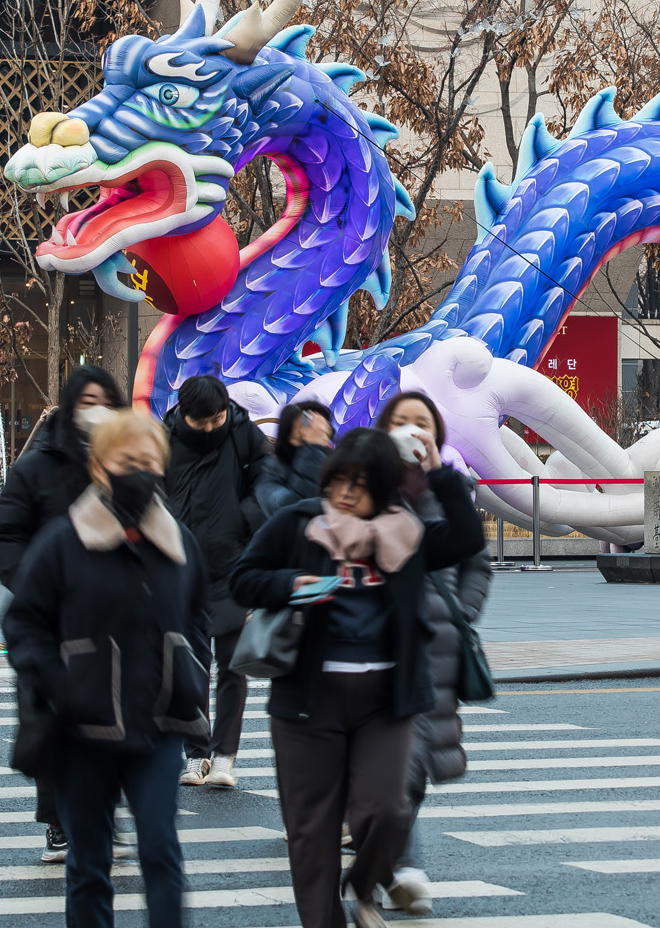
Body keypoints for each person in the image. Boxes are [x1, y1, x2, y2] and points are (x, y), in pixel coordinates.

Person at [230, 426, 486, 928]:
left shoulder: (405, 533)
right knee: (312, 835)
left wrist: (436, 469)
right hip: (308, 702)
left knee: (388, 810)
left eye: (361, 483)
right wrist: (290, 583)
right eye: (339, 480)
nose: (346, 492)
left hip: (385, 700)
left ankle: (363, 882)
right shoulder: (299, 523)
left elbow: (466, 537)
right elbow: (243, 579)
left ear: (385, 488)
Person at [4, 409, 207, 928]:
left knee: (161, 851)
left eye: (149, 460)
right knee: (90, 863)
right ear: (99, 467)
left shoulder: (179, 542)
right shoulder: (63, 542)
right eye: (126, 460)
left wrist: (192, 675)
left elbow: (199, 617)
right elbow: (25, 622)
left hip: (161, 722)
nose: (139, 470)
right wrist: (58, 684)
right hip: (83, 726)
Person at [0, 364, 125, 862]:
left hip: (113, 620)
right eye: (85, 402)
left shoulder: (127, 464)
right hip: (49, 620)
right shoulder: (37, 466)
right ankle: (57, 821)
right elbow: (6, 534)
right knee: (51, 716)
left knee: (111, 718)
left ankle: (102, 812)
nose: (95, 412)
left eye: (104, 401)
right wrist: (31, 586)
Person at [372, 390, 495, 915]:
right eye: (401, 421)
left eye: (421, 423)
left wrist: (460, 613)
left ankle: (390, 857)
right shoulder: (365, 484)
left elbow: (475, 560)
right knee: (395, 762)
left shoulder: (450, 489)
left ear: (437, 435)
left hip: (436, 645)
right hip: (377, 641)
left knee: (413, 766)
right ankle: (401, 865)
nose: (411, 430)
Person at [163, 373, 271, 789]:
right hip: (181, 569)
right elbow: (148, 490)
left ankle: (224, 756)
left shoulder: (244, 436)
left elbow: (267, 484)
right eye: (201, 421)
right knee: (189, 668)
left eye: (217, 418)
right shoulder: (163, 440)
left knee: (232, 666)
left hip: (233, 566)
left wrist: (244, 521)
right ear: (183, 414)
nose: (210, 427)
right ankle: (195, 754)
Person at [255, 400, 335, 517]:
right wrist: (313, 447)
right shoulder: (270, 475)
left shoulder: (341, 465)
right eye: (302, 435)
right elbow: (295, 509)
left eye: (322, 432)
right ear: (288, 437)